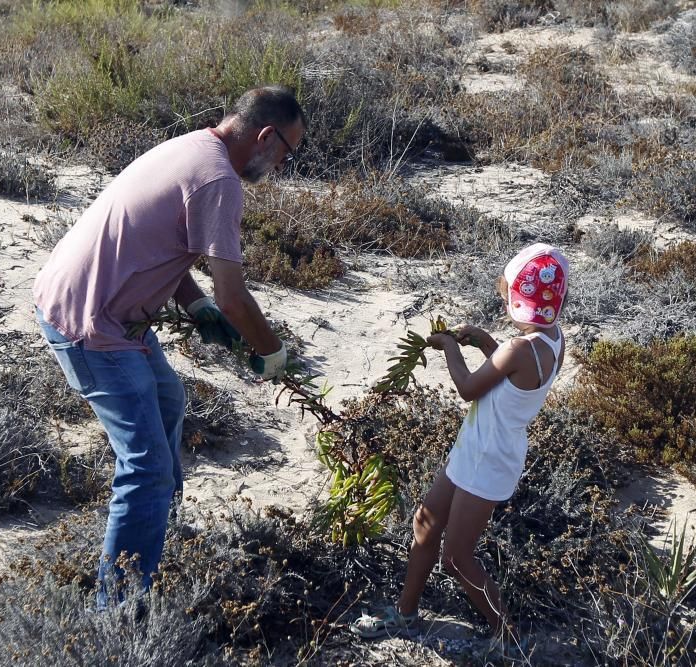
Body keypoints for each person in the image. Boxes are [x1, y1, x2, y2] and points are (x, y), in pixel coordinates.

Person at [32, 85, 305, 608]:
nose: (283, 164)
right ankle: (118, 612)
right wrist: (273, 354)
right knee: (147, 470)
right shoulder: (220, 180)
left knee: (168, 401)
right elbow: (235, 298)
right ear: (266, 136)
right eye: (287, 151)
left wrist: (194, 303)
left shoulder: (193, 147)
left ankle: (157, 533)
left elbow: (165, 245)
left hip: (90, 304)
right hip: (95, 326)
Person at [350, 243, 569, 659]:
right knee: (425, 523)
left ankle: (507, 633)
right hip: (481, 447)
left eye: (506, 295)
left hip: (487, 459)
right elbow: (513, 379)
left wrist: (449, 347)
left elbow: (470, 388)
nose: (502, 299)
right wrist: (486, 341)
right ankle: (406, 612)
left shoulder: (519, 349)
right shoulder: (551, 341)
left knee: (456, 556)